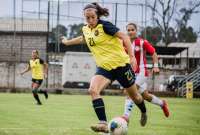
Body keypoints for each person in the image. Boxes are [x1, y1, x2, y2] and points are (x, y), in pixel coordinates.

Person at [61, 2, 147, 133]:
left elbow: (124, 36)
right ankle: (103, 123)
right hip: (105, 68)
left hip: (121, 66)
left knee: (135, 97)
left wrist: (132, 56)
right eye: (87, 18)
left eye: (92, 17)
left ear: (97, 16)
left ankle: (143, 111)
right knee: (93, 90)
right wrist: (67, 42)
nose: (90, 20)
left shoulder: (105, 26)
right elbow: (83, 38)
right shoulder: (86, 28)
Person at [123, 23, 169, 121]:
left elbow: (153, 53)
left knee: (130, 92)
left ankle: (126, 117)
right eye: (128, 30)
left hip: (142, 72)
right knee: (146, 96)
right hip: (131, 73)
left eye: (132, 30)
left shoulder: (142, 42)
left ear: (136, 31)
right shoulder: (125, 43)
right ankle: (162, 103)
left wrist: (156, 66)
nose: (130, 32)